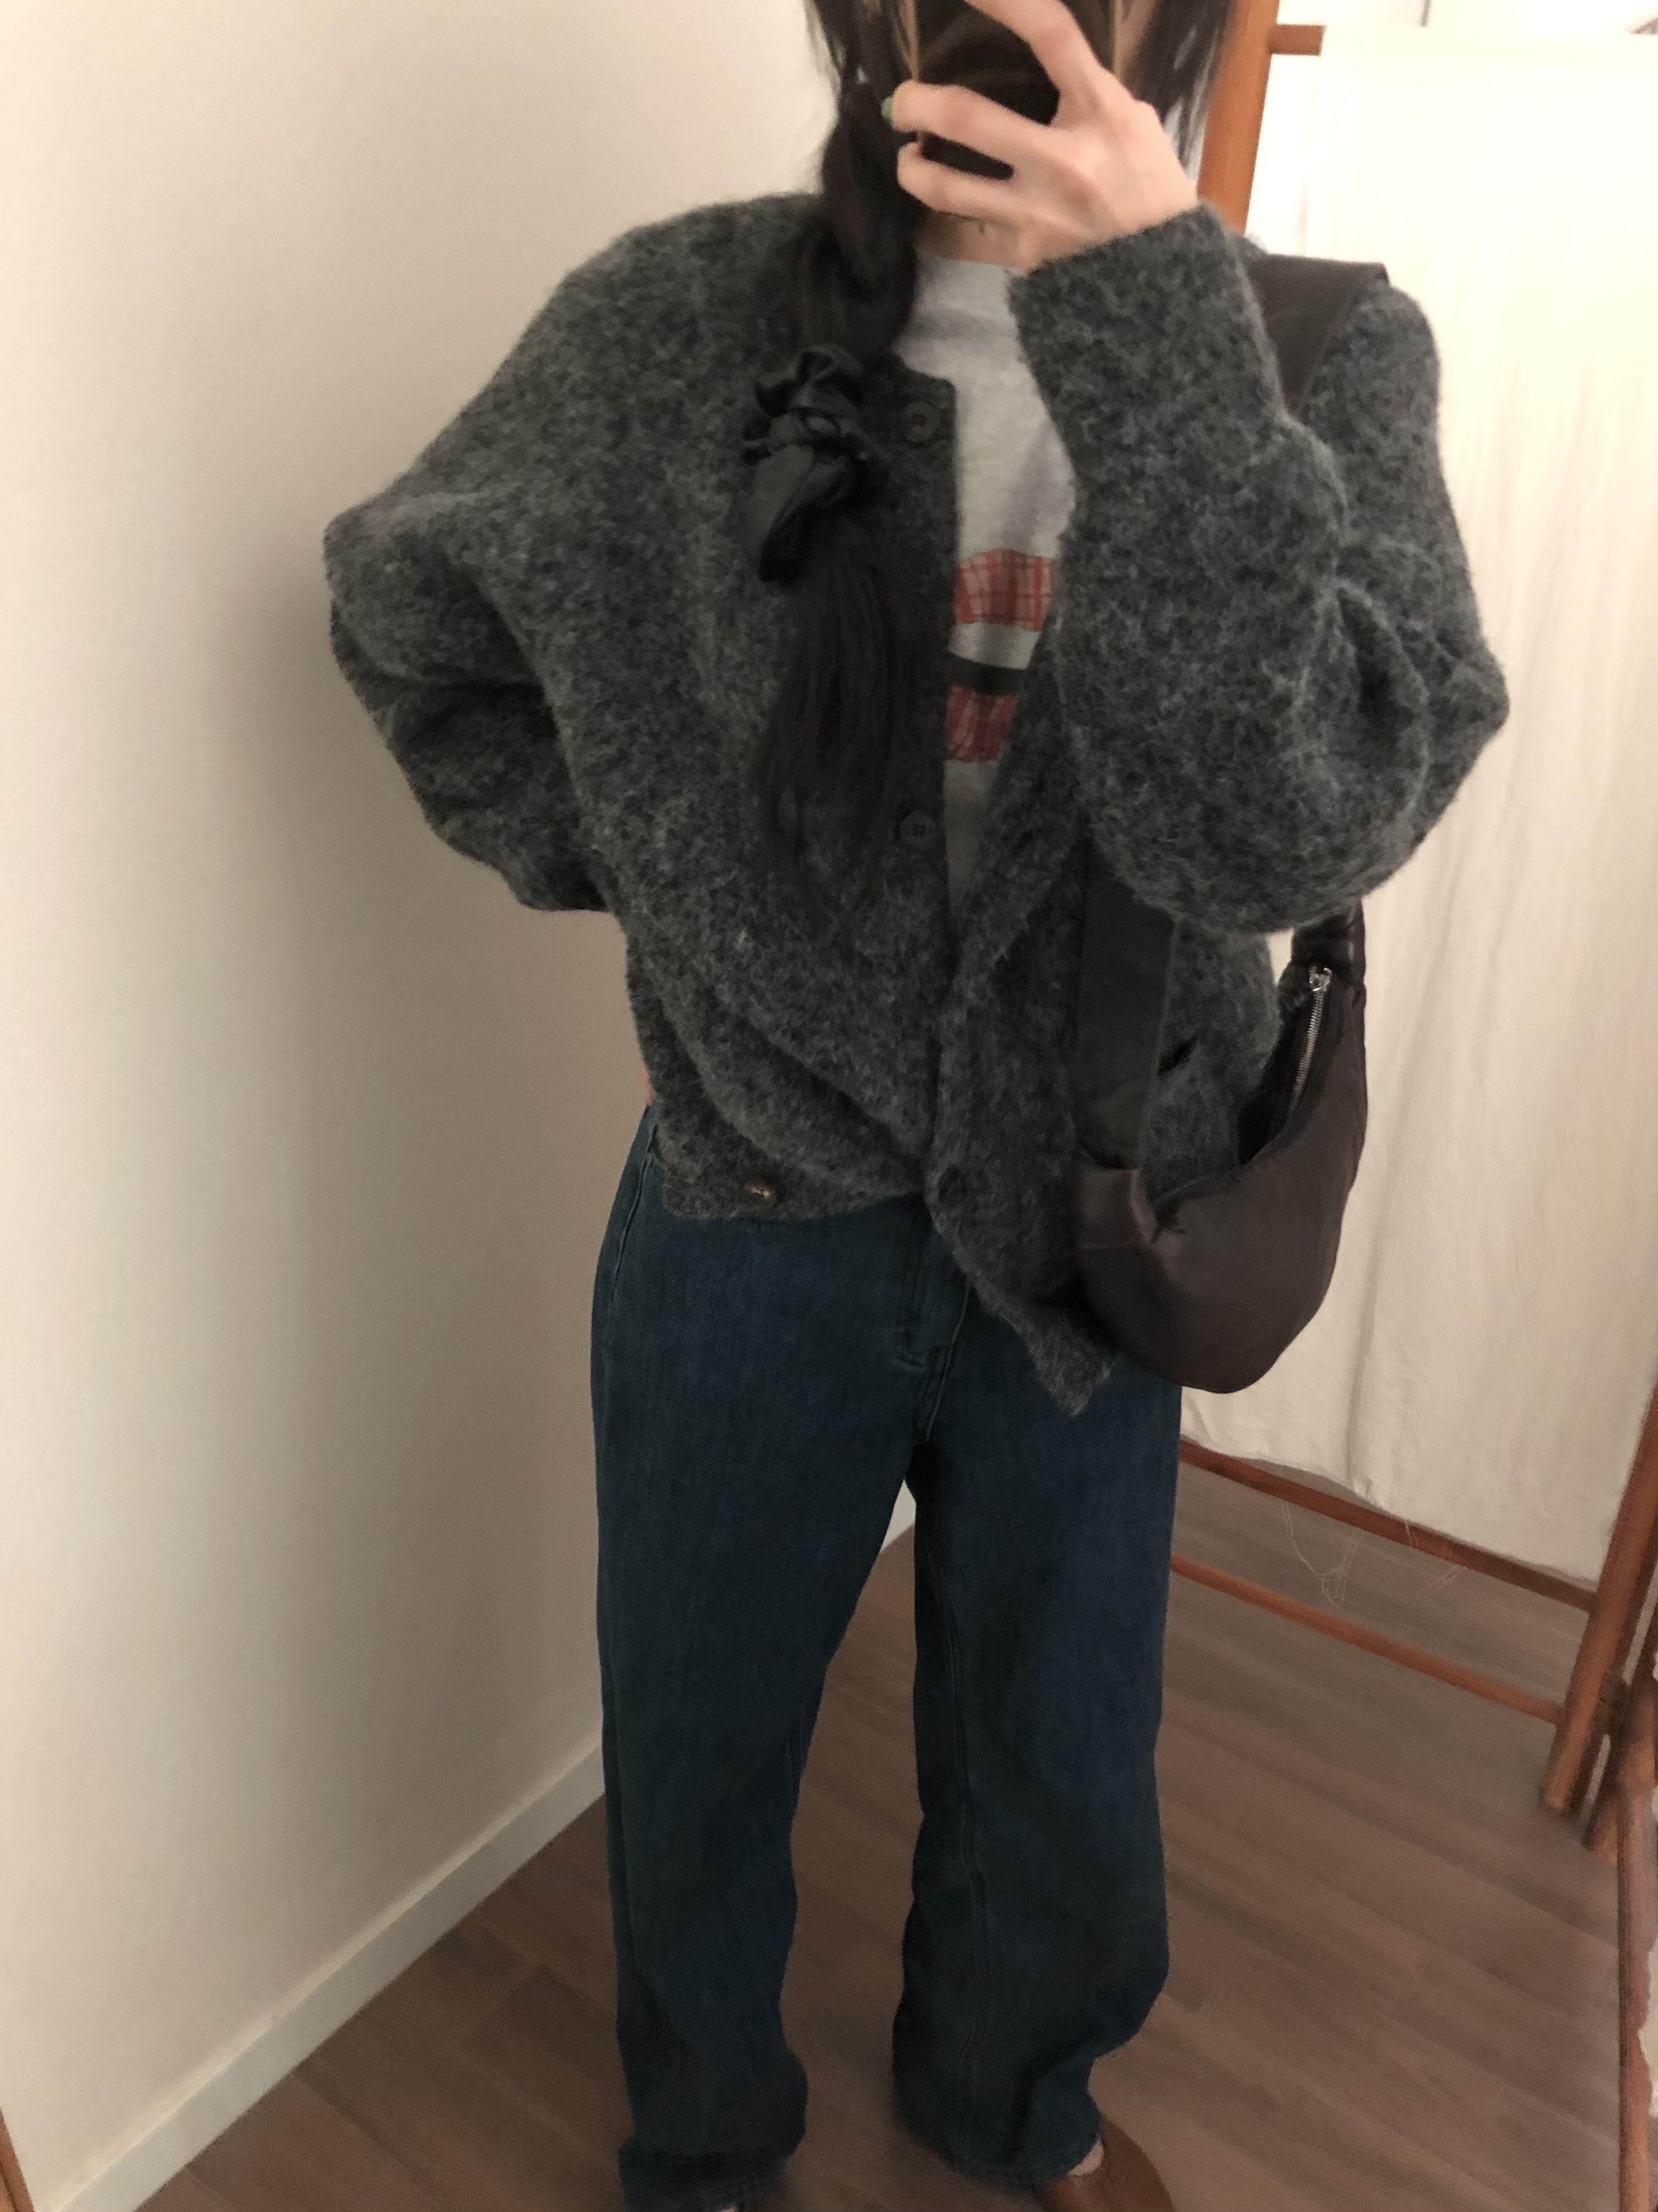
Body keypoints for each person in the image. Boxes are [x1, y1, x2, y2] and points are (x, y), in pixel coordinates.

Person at [321, 0, 1512, 2204]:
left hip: (1099, 1208)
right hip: (752, 1204)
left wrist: (1156, 331)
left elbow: (1289, 832)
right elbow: (414, 620)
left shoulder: (1317, 357)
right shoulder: (673, 327)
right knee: (696, 1734)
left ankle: (1015, 2106)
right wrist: (672, 892)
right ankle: (703, 2145)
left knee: (1062, 1747)